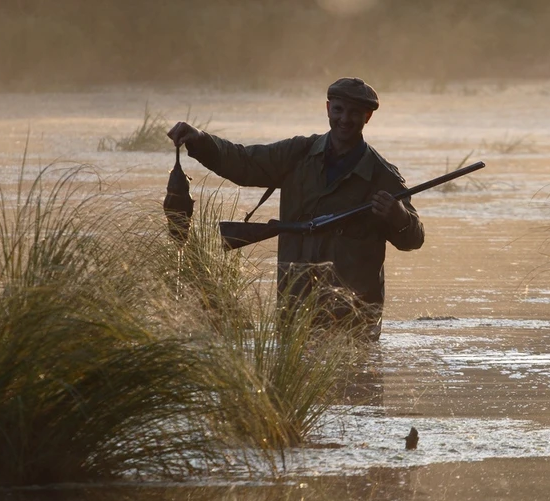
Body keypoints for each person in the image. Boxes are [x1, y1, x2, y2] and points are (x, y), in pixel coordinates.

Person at [166, 77, 424, 338]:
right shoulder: (297, 153)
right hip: (296, 311)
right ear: (327, 109)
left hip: (355, 321)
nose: (345, 119)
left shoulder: (383, 175)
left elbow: (413, 239)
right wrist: (199, 140)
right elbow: (243, 163)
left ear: (367, 117)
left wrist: (398, 216)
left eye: (355, 112)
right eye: (339, 110)